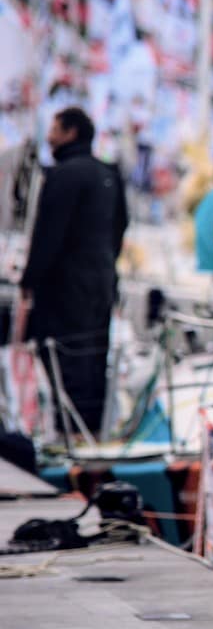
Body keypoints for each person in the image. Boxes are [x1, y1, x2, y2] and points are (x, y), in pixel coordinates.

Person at [17, 106, 128, 434]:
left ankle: (68, 433)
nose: (49, 135)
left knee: (65, 359)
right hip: (102, 281)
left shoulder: (63, 174)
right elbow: (121, 226)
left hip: (66, 286)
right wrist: (107, 264)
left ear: (71, 133)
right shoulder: (109, 174)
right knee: (94, 357)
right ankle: (91, 432)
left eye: (54, 128)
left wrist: (30, 280)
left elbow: (48, 234)